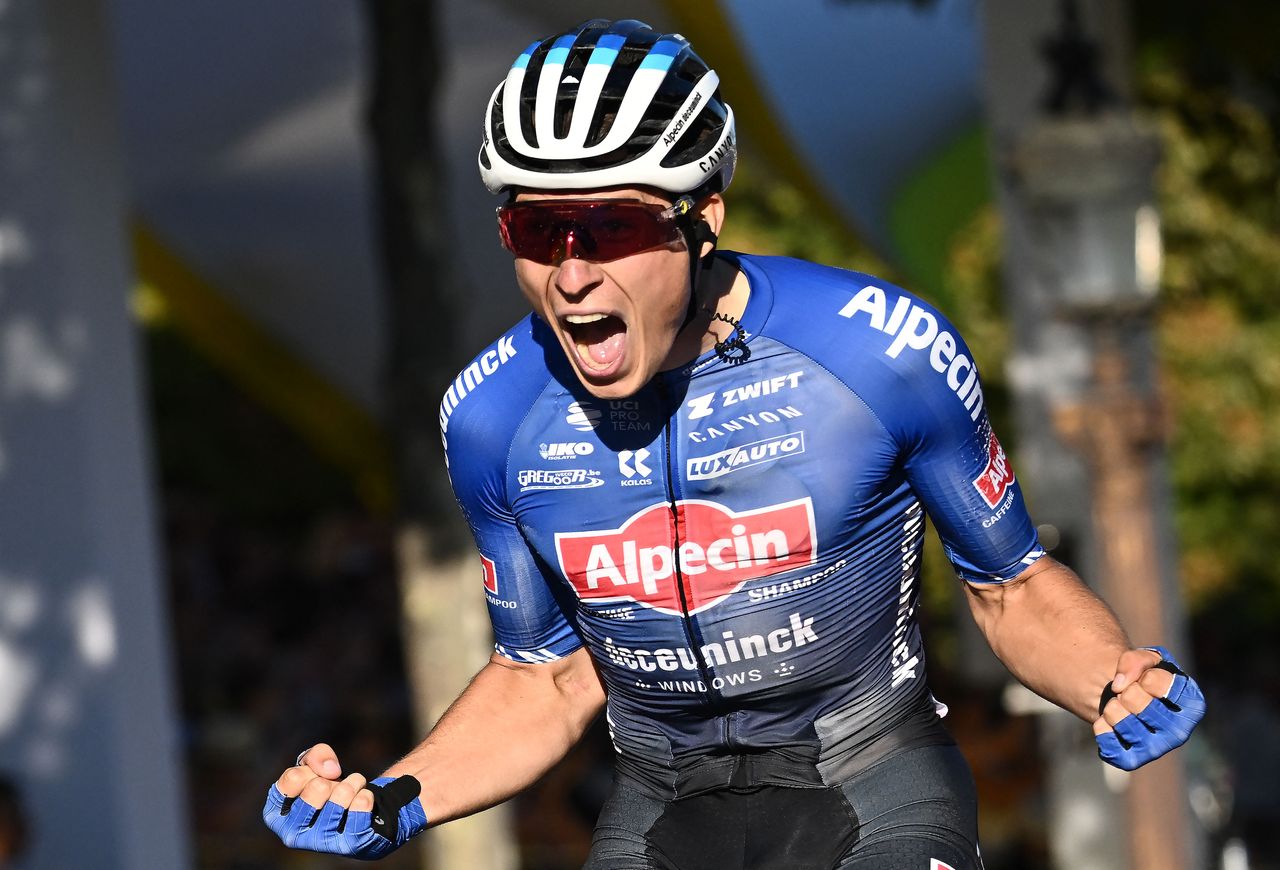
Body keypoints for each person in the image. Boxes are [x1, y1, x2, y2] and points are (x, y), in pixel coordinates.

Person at [264, 18, 1205, 868]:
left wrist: (1108, 680)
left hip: (871, 779)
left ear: (701, 217)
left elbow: (1011, 585)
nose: (574, 274)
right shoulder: (492, 416)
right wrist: (392, 797)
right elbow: (546, 678)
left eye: (614, 226)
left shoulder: (876, 354)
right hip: (661, 805)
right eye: (538, 228)